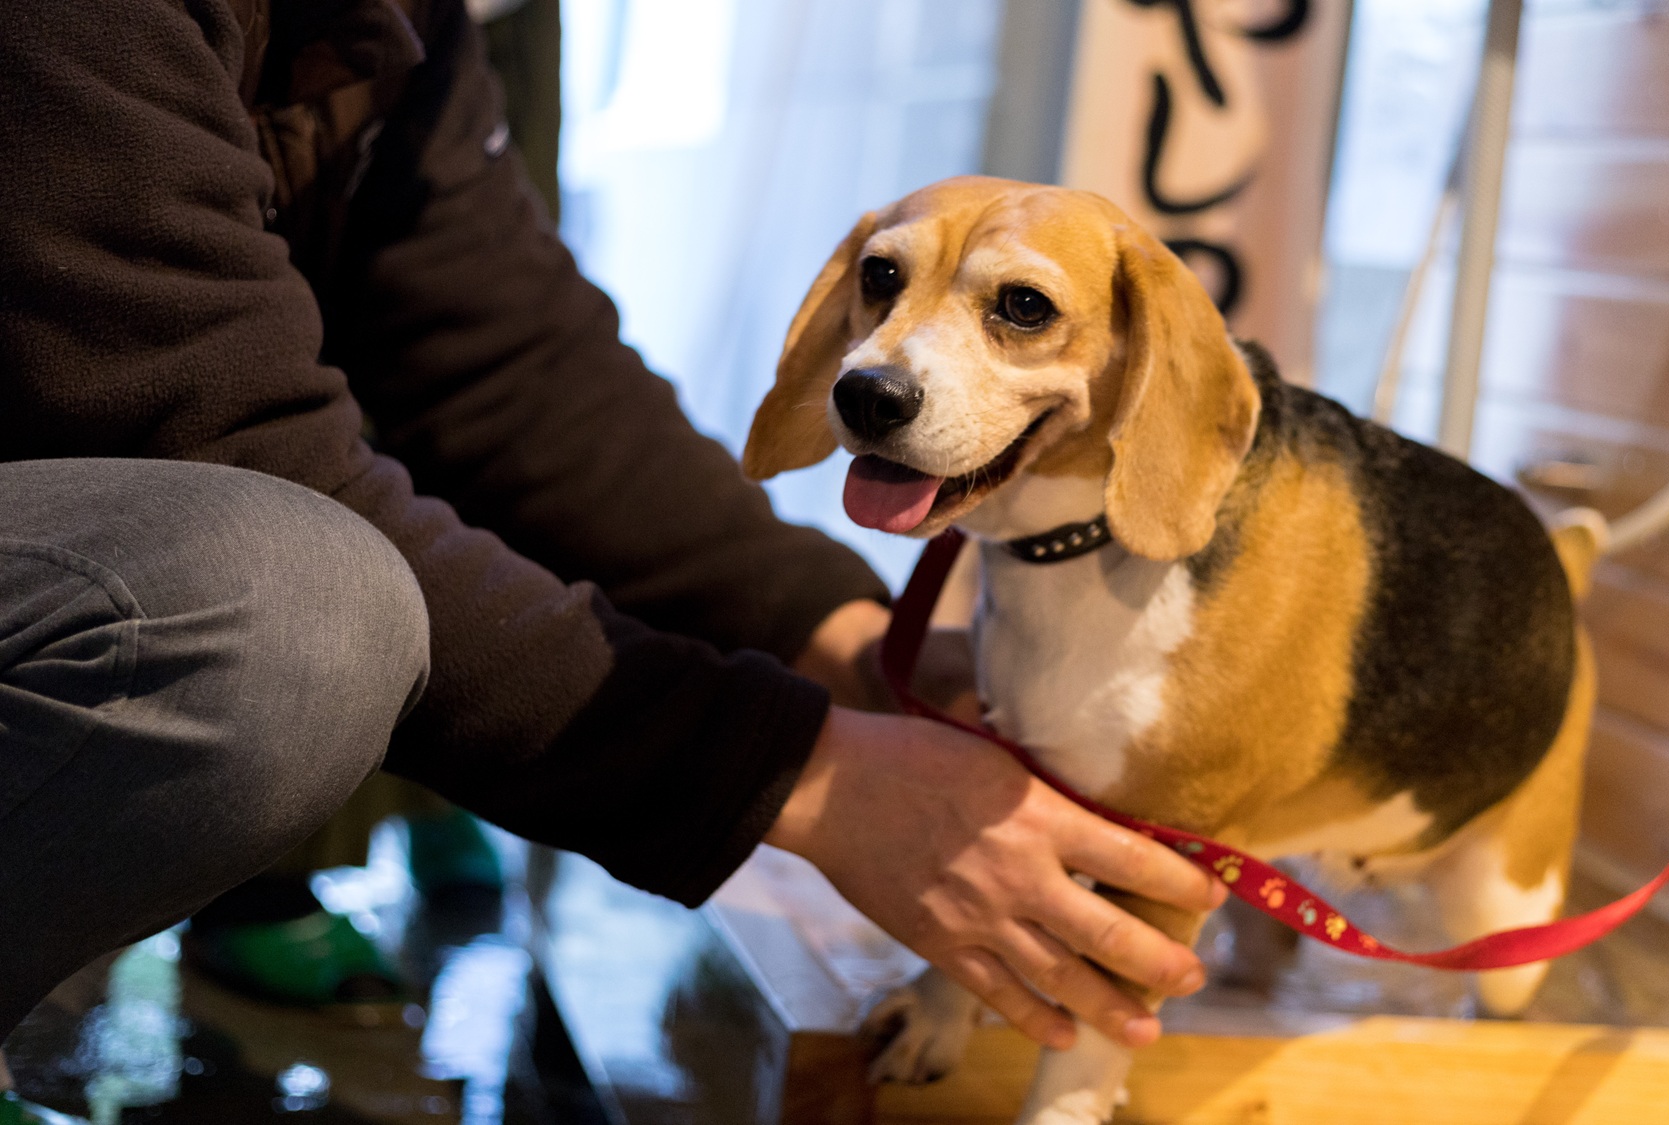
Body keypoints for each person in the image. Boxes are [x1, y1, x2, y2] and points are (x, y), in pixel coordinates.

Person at [0, 0, 1221, 1075]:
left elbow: (502, 368)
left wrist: (845, 642)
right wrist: (801, 772)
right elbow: (220, 437)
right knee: (287, 610)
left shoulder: (403, 23)